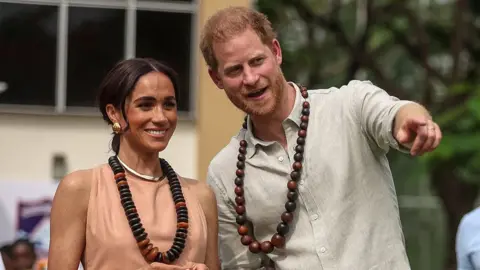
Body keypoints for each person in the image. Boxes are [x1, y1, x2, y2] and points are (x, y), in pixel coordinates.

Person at [200, 6, 443, 270]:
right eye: (235, 70)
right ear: (217, 78)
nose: (250, 78)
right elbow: (240, 266)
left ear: (276, 52)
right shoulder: (224, 173)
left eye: (257, 61)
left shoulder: (348, 106)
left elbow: (395, 112)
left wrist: (412, 122)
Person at [48, 58, 219, 270]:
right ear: (114, 113)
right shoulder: (81, 188)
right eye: (145, 105)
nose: (161, 117)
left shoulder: (201, 196)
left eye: (169, 104)